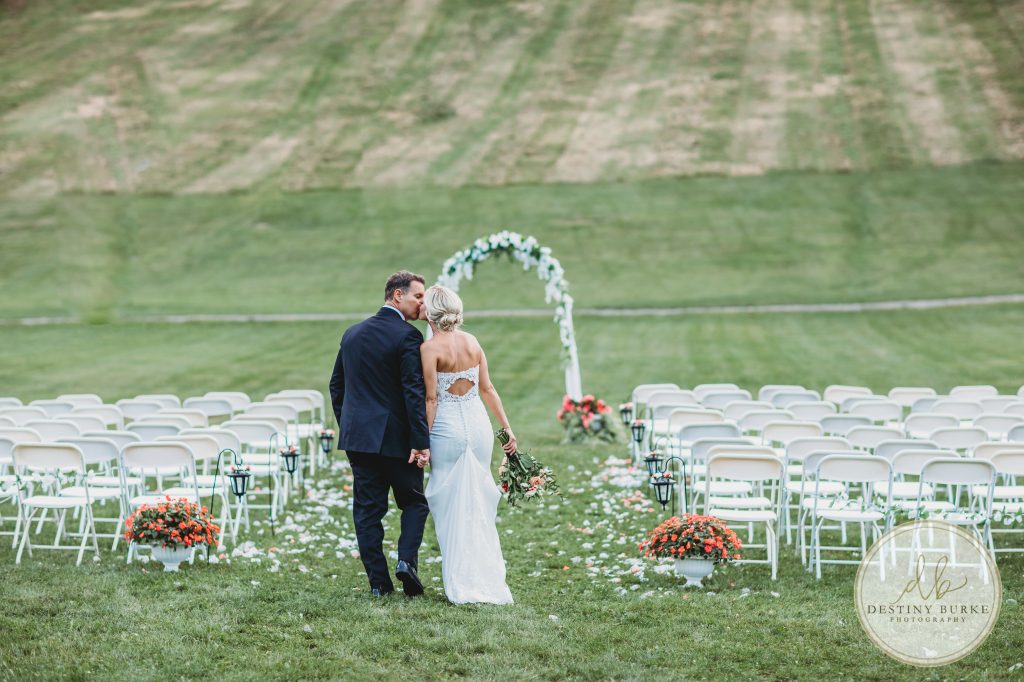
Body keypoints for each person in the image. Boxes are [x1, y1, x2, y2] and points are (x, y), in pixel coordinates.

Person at [329, 271, 431, 598]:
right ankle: (406, 563)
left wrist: (351, 425)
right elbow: (413, 393)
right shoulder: (408, 336)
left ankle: (378, 584)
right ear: (396, 296)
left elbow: (336, 386)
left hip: (359, 440)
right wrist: (420, 442)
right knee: (414, 503)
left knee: (367, 512)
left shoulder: (353, 333)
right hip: (398, 441)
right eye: (418, 296)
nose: (422, 303)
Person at [419, 284, 516, 604]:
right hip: (478, 430)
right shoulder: (472, 342)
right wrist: (506, 431)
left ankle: (461, 579)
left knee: (449, 506)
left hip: (446, 430)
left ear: (430, 314)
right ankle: (485, 576)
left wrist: (423, 442)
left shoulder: (429, 350)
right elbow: (488, 389)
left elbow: (431, 400)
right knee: (477, 501)